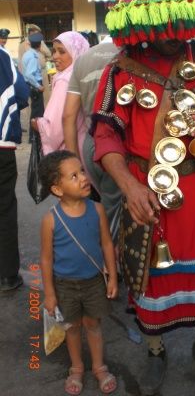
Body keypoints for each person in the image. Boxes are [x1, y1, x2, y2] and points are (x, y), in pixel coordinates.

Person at [91, 0, 195, 394]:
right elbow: (105, 138)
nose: (171, 36)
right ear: (146, 22)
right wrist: (128, 186)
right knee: (151, 275)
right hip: (147, 193)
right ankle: (155, 350)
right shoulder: (119, 71)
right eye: (161, 28)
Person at [38, 150, 118, 395]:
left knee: (93, 324)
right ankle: (77, 368)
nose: (83, 178)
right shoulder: (51, 220)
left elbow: (106, 244)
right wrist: (50, 294)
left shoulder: (97, 210)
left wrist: (113, 276)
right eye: (73, 176)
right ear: (58, 189)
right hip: (64, 285)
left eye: (81, 171)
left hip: (94, 281)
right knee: (72, 327)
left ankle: (99, 367)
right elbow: (46, 258)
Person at [63, 40, 121, 243]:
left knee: (105, 204)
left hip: (91, 144)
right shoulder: (132, 52)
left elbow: (68, 116)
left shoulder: (83, 60)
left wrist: (73, 164)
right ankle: (109, 265)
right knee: (115, 213)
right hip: (120, 146)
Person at [31, 31, 89, 161]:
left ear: (75, 53)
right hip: (85, 147)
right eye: (54, 51)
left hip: (69, 151)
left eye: (61, 52)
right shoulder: (84, 74)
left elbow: (55, 128)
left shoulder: (65, 80)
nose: (55, 56)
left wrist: (38, 124)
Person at [0, 40, 29, 291]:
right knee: (4, 209)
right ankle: (8, 276)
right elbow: (22, 94)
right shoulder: (2, 56)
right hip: (1, 146)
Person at [18, 24, 52, 105]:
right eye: (36, 34)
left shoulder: (40, 43)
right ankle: (35, 116)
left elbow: (49, 54)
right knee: (35, 100)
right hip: (31, 76)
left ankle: (44, 115)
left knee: (45, 97)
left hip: (42, 73)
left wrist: (41, 46)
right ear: (30, 33)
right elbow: (20, 62)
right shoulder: (22, 45)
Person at [21, 31, 45, 142]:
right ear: (39, 45)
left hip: (31, 86)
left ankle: (34, 136)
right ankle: (34, 136)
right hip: (35, 86)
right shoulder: (33, 57)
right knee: (37, 112)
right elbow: (29, 74)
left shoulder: (28, 54)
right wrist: (38, 86)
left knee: (36, 111)